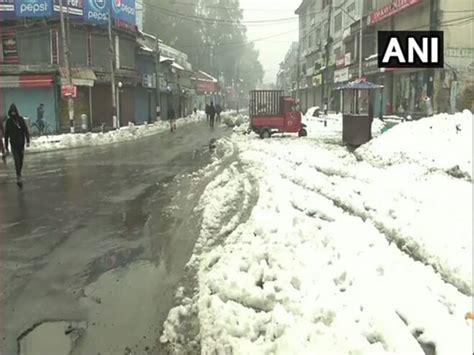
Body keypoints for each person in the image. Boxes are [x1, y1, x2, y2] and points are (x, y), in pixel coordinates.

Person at [5, 103, 30, 187]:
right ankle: (18, 176)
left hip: (21, 144)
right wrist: (6, 146)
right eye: (11, 112)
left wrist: (28, 141)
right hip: (13, 145)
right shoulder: (9, 122)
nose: (13, 114)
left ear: (16, 112)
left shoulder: (20, 119)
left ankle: (19, 173)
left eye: (14, 112)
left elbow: (25, 130)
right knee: (17, 161)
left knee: (21, 161)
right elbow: (6, 134)